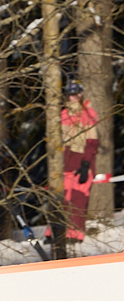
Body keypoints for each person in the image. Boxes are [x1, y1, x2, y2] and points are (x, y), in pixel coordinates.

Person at [60, 80, 98, 243]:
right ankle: (58, 232)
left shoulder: (88, 113)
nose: (73, 97)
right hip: (67, 161)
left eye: (76, 94)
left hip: (83, 161)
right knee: (63, 199)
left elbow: (93, 142)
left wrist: (85, 164)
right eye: (70, 94)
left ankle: (76, 234)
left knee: (78, 199)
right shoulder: (63, 114)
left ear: (81, 95)